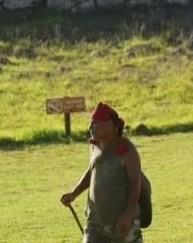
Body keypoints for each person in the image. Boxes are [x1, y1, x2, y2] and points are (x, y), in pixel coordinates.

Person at [60, 102, 144, 242]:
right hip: (95, 221)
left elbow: (136, 183)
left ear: (109, 124)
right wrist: (74, 193)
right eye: (90, 124)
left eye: (95, 124)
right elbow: (92, 171)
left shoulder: (126, 150)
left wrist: (128, 214)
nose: (90, 127)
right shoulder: (95, 146)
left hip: (121, 222)